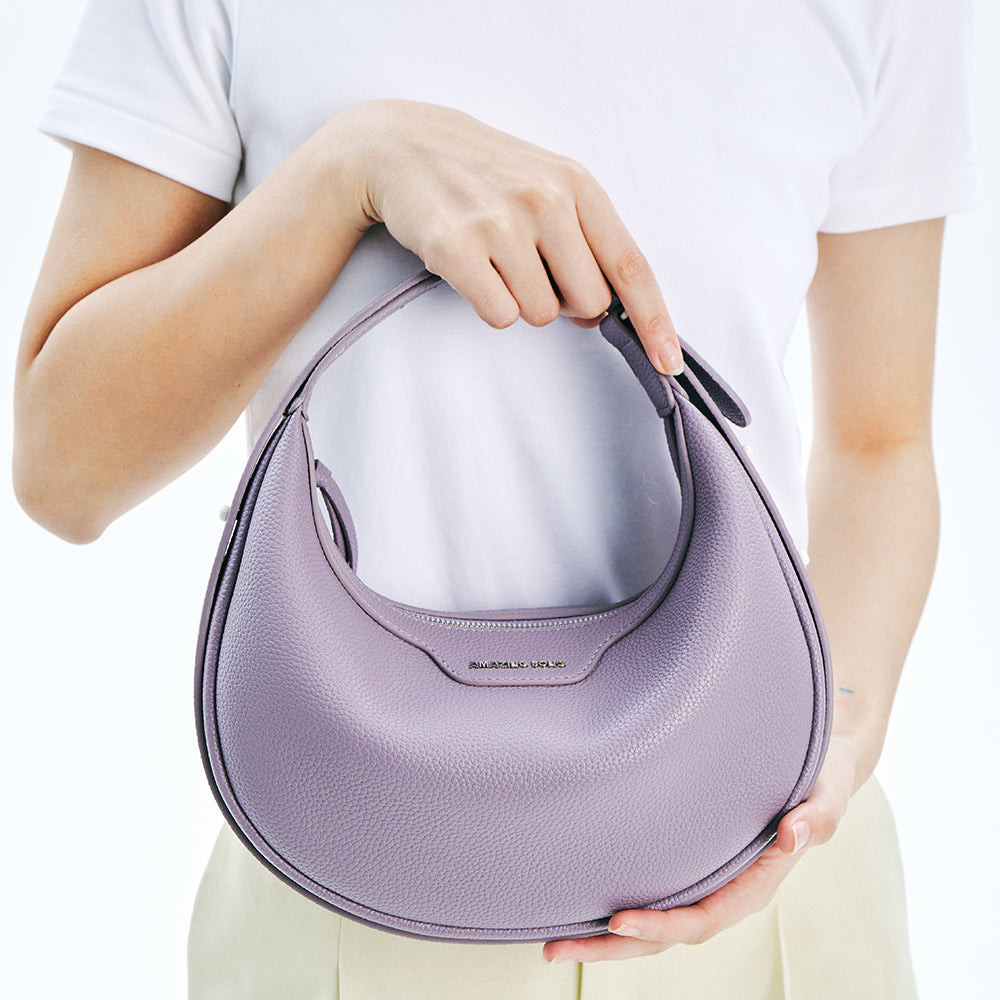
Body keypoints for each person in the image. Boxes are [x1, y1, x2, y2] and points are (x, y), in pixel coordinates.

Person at [12, 0, 978, 996]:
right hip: (342, 873)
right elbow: (64, 469)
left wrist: (842, 737)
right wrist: (344, 169)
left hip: (758, 874)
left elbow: (879, 442)